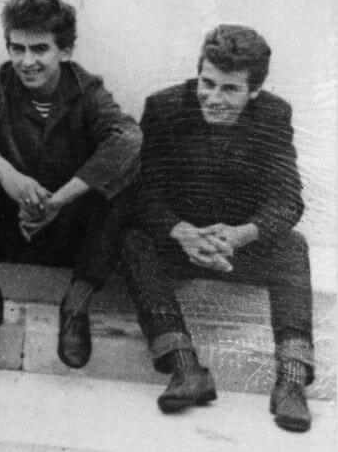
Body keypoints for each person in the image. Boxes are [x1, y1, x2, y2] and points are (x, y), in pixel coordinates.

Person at [120, 25, 314, 432]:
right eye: (207, 83)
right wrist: (181, 231)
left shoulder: (274, 115)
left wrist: (242, 233)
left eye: (230, 89)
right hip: (180, 243)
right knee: (134, 240)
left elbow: (288, 198)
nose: (214, 98)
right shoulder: (165, 107)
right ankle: (185, 368)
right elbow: (143, 192)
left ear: (253, 91)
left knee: (293, 247)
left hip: (237, 247)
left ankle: (291, 382)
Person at [0, 0, 140, 368]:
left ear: (65, 50)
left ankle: (76, 306)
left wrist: (60, 199)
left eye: (39, 49)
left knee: (125, 171)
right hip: (9, 228)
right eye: (17, 48)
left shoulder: (88, 91)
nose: (26, 62)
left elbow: (128, 139)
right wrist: (6, 173)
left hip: (68, 234)